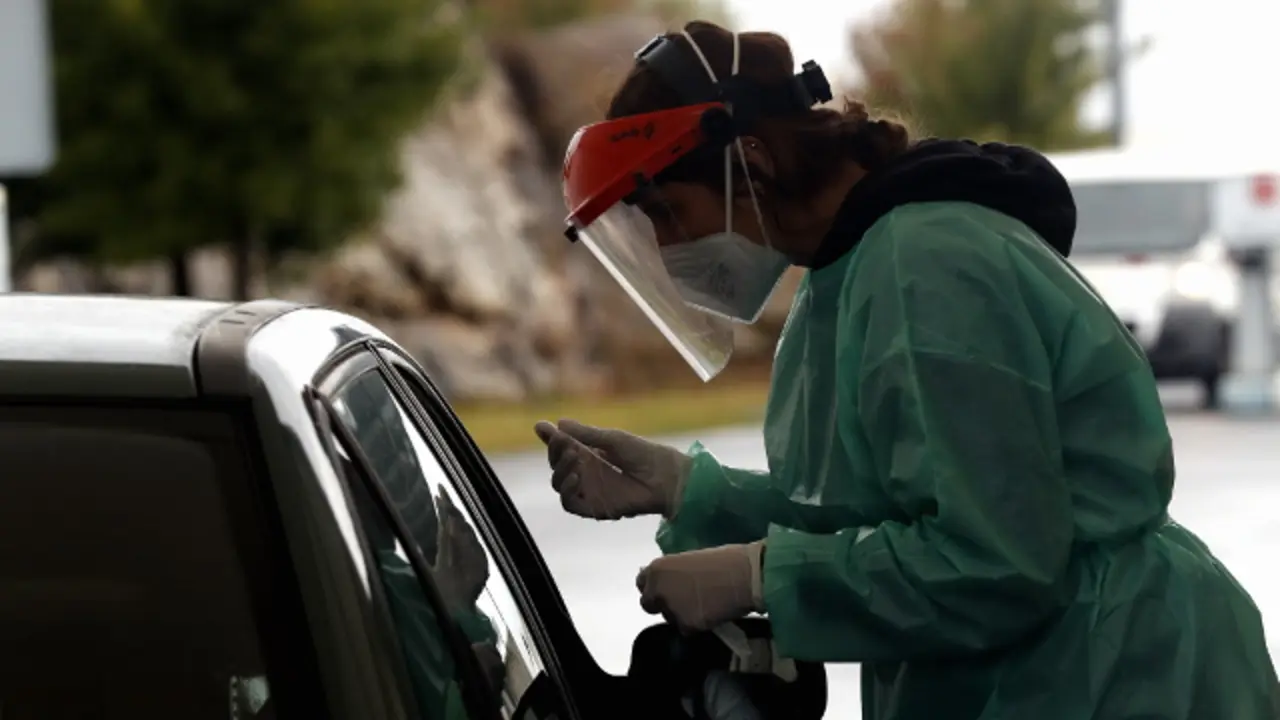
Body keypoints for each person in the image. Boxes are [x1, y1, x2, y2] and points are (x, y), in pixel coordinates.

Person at [533, 19, 1280, 720]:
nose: (668, 249)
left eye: (667, 214)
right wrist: (688, 489)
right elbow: (888, 515)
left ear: (748, 161)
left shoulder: (928, 267)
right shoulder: (849, 273)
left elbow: (997, 561)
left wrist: (761, 575)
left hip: (1117, 676)